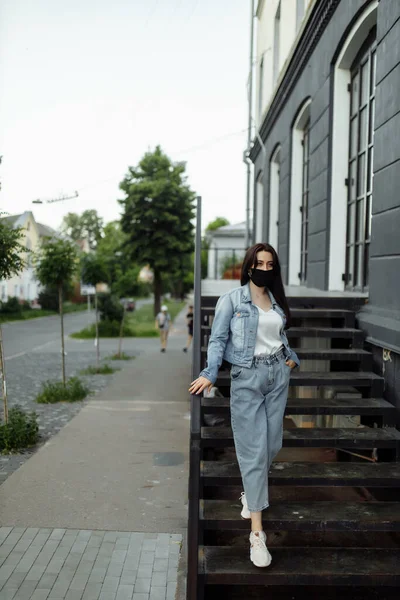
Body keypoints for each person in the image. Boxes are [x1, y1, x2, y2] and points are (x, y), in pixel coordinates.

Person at [189, 243, 300, 568]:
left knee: (273, 443)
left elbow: (278, 334)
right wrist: (210, 373)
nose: (263, 269)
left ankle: (249, 495)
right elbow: (218, 339)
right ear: (248, 265)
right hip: (247, 378)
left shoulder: (276, 300)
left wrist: (290, 360)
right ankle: (256, 534)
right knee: (253, 453)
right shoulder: (232, 300)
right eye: (258, 263)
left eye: (269, 265)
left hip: (278, 374)